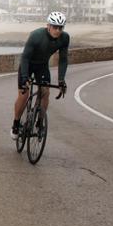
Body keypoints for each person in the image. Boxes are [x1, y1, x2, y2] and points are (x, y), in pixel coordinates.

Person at [10, 11, 69, 140]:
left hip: (42, 66)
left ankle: (39, 122)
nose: (58, 30)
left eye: (60, 28)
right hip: (28, 64)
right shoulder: (36, 35)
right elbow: (25, 57)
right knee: (24, 94)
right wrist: (25, 77)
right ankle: (15, 123)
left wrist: (61, 80)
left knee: (45, 92)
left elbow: (63, 60)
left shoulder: (64, 38)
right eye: (55, 27)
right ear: (48, 26)